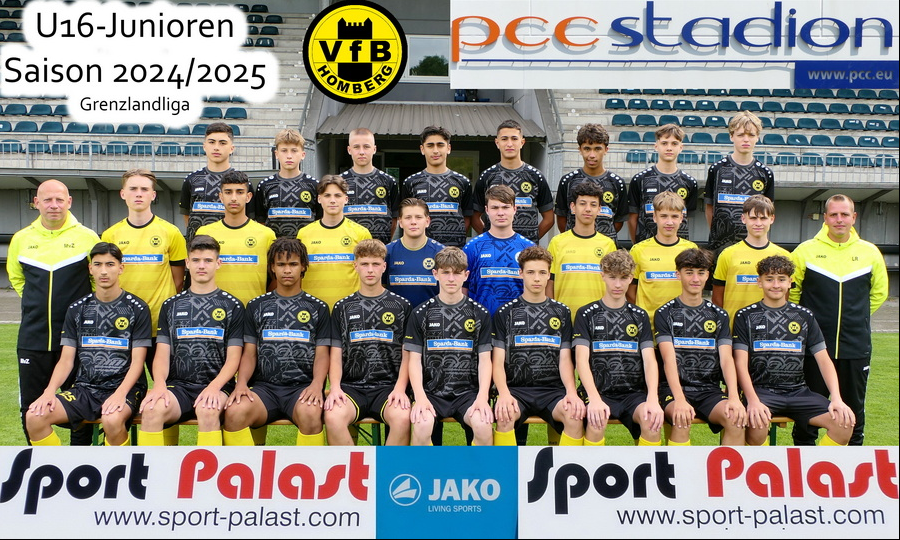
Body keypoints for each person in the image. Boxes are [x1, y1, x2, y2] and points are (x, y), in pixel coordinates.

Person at [25, 242, 150, 446]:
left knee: (111, 420)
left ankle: (117, 466)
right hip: (86, 389)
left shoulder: (137, 308)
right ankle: (59, 466)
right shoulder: (77, 309)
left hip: (125, 388)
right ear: (90, 269)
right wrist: (49, 392)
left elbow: (138, 362)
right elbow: (66, 360)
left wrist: (119, 395)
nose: (104, 271)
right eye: (98, 264)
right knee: (34, 416)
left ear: (121, 268)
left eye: (110, 264)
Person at [789, 194, 888, 446]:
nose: (839, 219)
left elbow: (879, 293)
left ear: (854, 217)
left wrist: (855, 319)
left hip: (855, 346)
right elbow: (793, 294)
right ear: (825, 218)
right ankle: (804, 462)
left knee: (853, 412)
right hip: (813, 348)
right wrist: (808, 326)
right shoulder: (805, 251)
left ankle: (850, 464)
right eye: (833, 214)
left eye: (844, 214)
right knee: (808, 413)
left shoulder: (870, 252)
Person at [7, 179, 100, 445]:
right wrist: (36, 304)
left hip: (77, 340)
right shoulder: (21, 239)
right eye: (47, 200)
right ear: (36, 203)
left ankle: (79, 459)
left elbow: (96, 281)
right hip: (33, 339)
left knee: (81, 406)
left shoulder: (88, 237)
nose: (54, 205)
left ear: (69, 202)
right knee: (31, 408)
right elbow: (17, 279)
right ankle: (43, 461)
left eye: (60, 199)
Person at [102, 168, 188, 446]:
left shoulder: (170, 232)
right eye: (133, 189)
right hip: (123, 331)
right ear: (123, 194)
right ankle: (123, 457)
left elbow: (178, 280)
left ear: (153, 195)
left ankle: (169, 454)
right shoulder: (111, 234)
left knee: (167, 393)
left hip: (161, 332)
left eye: (144, 189)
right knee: (119, 396)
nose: (138, 194)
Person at [733, 255, 855, 446]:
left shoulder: (804, 316)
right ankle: (765, 465)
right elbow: (740, 363)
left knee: (843, 424)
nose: (776, 285)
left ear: (790, 282)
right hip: (762, 392)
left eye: (781, 279)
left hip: (799, 392)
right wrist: (753, 400)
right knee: (757, 424)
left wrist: (837, 399)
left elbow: (824, 360)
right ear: (759, 282)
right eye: (769, 279)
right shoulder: (746, 315)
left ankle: (815, 465)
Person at [137, 235, 245, 446]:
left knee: (207, 410)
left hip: (218, 386)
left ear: (218, 263)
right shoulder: (171, 305)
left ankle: (210, 468)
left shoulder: (232, 305)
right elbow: (162, 354)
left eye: (207, 260)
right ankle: (155, 468)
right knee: (151, 410)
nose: (201, 266)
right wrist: (159, 385)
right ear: (187, 263)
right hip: (179, 387)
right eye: (196, 260)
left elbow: (234, 358)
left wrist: (213, 387)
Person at [222, 238, 331, 446]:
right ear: (272, 267)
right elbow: (250, 353)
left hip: (301, 389)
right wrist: (241, 384)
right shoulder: (256, 306)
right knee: (235, 412)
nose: (287, 270)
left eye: (293, 264)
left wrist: (317, 385)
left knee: (310, 414)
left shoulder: (318, 308)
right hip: (264, 390)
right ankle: (247, 466)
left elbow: (322, 354)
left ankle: (307, 466)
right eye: (281, 264)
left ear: (303, 266)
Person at [491, 246, 585, 446]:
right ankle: (505, 466)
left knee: (574, 416)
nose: (536, 278)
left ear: (549, 275)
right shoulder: (505, 313)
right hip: (516, 390)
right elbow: (497, 362)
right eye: (530, 272)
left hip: (552, 391)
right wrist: (504, 394)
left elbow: (565, 359)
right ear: (521, 274)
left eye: (542, 273)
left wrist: (571, 392)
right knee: (504, 416)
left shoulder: (562, 312)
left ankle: (566, 466)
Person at [325, 239, 412, 446]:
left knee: (402, 418)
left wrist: (400, 388)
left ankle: (388, 467)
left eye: (375, 264)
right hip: (351, 388)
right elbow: (335, 354)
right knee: (333, 417)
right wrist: (335, 387)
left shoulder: (401, 306)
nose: (370, 270)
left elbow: (408, 353)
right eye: (364, 264)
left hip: (389, 387)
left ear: (384, 266)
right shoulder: (342, 307)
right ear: (355, 266)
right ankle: (352, 466)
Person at [572, 249, 664, 446]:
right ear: (602, 275)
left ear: (631, 278)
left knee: (652, 422)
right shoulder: (586, 314)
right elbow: (581, 360)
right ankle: (590, 466)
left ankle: (645, 467)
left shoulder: (639, 315)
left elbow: (649, 360)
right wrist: (594, 399)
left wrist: (652, 398)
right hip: (598, 392)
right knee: (596, 422)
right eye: (612, 277)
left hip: (633, 394)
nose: (617, 284)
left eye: (623, 278)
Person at [655, 248, 746, 446]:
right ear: (678, 274)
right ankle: (679, 468)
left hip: (708, 390)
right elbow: (669, 360)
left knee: (735, 419)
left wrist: (733, 397)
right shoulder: (665, 313)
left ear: (708, 275)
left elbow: (726, 359)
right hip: (673, 390)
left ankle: (726, 468)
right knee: (681, 419)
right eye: (689, 273)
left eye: (701, 272)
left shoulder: (719, 315)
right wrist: (679, 399)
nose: (695, 279)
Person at [405, 247, 494, 446]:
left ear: (466, 275)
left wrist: (482, 397)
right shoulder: (421, 313)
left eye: (457, 273)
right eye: (445, 272)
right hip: (431, 393)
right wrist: (420, 397)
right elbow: (414, 361)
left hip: (468, 394)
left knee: (483, 425)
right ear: (435, 274)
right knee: (421, 425)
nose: (451, 278)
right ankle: (428, 468)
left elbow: (485, 360)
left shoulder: (480, 314)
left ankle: (477, 467)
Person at [196, 170, 276, 307]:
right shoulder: (205, 233)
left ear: (248, 197)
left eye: (239, 192)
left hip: (252, 312)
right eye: (228, 192)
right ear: (221, 197)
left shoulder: (266, 235)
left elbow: (276, 278)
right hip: (213, 311)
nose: (233, 198)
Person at [704, 111, 775, 258]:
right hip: (719, 247)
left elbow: (768, 213)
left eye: (751, 135)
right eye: (741, 135)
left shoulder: (765, 173)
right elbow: (709, 208)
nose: (746, 139)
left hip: (754, 248)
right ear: (731, 136)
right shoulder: (717, 169)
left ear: (757, 137)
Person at [711, 194, 788, 328]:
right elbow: (717, 297)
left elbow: (786, 296)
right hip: (734, 328)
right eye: (753, 218)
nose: (758, 223)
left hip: (771, 329)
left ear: (772, 219)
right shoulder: (728, 254)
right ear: (743, 219)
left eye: (763, 218)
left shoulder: (784, 256)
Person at [297, 175, 373, 310]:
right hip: (313, 309)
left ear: (346, 199)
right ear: (319, 199)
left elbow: (370, 274)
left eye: (338, 195)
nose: (332, 200)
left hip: (350, 308)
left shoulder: (361, 233)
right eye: (327, 196)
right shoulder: (304, 234)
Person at [472, 119, 554, 243]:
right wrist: (489, 239)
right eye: (504, 139)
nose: (509, 144)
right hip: (494, 247)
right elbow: (474, 217)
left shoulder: (536, 176)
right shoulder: (487, 176)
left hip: (526, 250)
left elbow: (549, 218)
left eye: (514, 139)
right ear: (497, 143)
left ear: (522, 142)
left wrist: (530, 241)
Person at [627, 191, 698, 332]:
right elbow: (630, 291)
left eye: (674, 216)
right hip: (647, 327)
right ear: (655, 217)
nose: (669, 222)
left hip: (683, 325)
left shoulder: (691, 250)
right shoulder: (638, 250)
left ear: (681, 218)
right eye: (664, 216)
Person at [547, 181, 618, 316]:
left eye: (593, 205)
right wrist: (553, 313)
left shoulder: (608, 244)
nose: (588, 209)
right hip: (564, 318)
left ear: (599, 209)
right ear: (573, 207)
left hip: (599, 318)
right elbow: (549, 282)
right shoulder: (557, 242)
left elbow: (614, 285)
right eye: (582, 203)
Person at [463, 184, 535, 315]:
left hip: (519, 321)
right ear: (486, 210)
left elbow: (537, 288)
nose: (500, 213)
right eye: (495, 207)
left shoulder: (528, 248)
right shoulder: (472, 247)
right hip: (481, 322)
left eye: (505, 207)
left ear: (514, 209)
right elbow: (463, 288)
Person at [554, 123, 628, 245]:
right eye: (587, 149)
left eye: (597, 149)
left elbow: (619, 221)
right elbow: (561, 219)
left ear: (606, 150)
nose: (592, 155)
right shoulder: (568, 181)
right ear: (580, 150)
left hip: (605, 247)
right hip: (573, 246)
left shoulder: (617, 182)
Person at [401, 125, 473, 247]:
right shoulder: (410, 182)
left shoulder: (462, 182)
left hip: (453, 251)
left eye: (440, 145)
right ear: (422, 149)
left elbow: (467, 217)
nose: (435, 150)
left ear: (448, 148)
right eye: (430, 145)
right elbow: (405, 218)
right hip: (421, 249)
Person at [627, 124, 699, 244]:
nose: (669, 148)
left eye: (674, 144)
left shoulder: (689, 182)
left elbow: (687, 218)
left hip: (679, 250)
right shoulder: (640, 179)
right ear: (656, 146)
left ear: (681, 147)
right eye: (664, 143)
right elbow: (632, 217)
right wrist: (637, 245)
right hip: (647, 248)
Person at [179, 122, 243, 243]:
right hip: (198, 248)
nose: (216, 147)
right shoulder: (192, 179)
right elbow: (187, 215)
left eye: (222, 143)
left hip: (231, 246)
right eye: (212, 142)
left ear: (231, 148)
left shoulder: (242, 182)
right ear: (204, 146)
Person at [255, 128, 320, 238]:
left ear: (303, 154)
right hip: (275, 247)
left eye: (294, 151)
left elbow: (320, 221)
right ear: (276, 154)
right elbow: (260, 222)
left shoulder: (314, 185)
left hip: (305, 247)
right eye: (284, 150)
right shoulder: (265, 186)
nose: (289, 156)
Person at [341, 127, 400, 245]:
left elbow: (394, 218)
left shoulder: (388, 181)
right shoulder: (339, 182)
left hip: (379, 249)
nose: (361, 152)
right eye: (356, 147)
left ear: (374, 149)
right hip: (347, 248)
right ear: (349, 150)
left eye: (366, 147)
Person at [385, 197, 445, 308]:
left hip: (432, 316)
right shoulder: (387, 252)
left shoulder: (441, 253)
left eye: (418, 217)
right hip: (396, 316)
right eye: (408, 217)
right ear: (400, 222)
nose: (413, 222)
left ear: (427, 221)